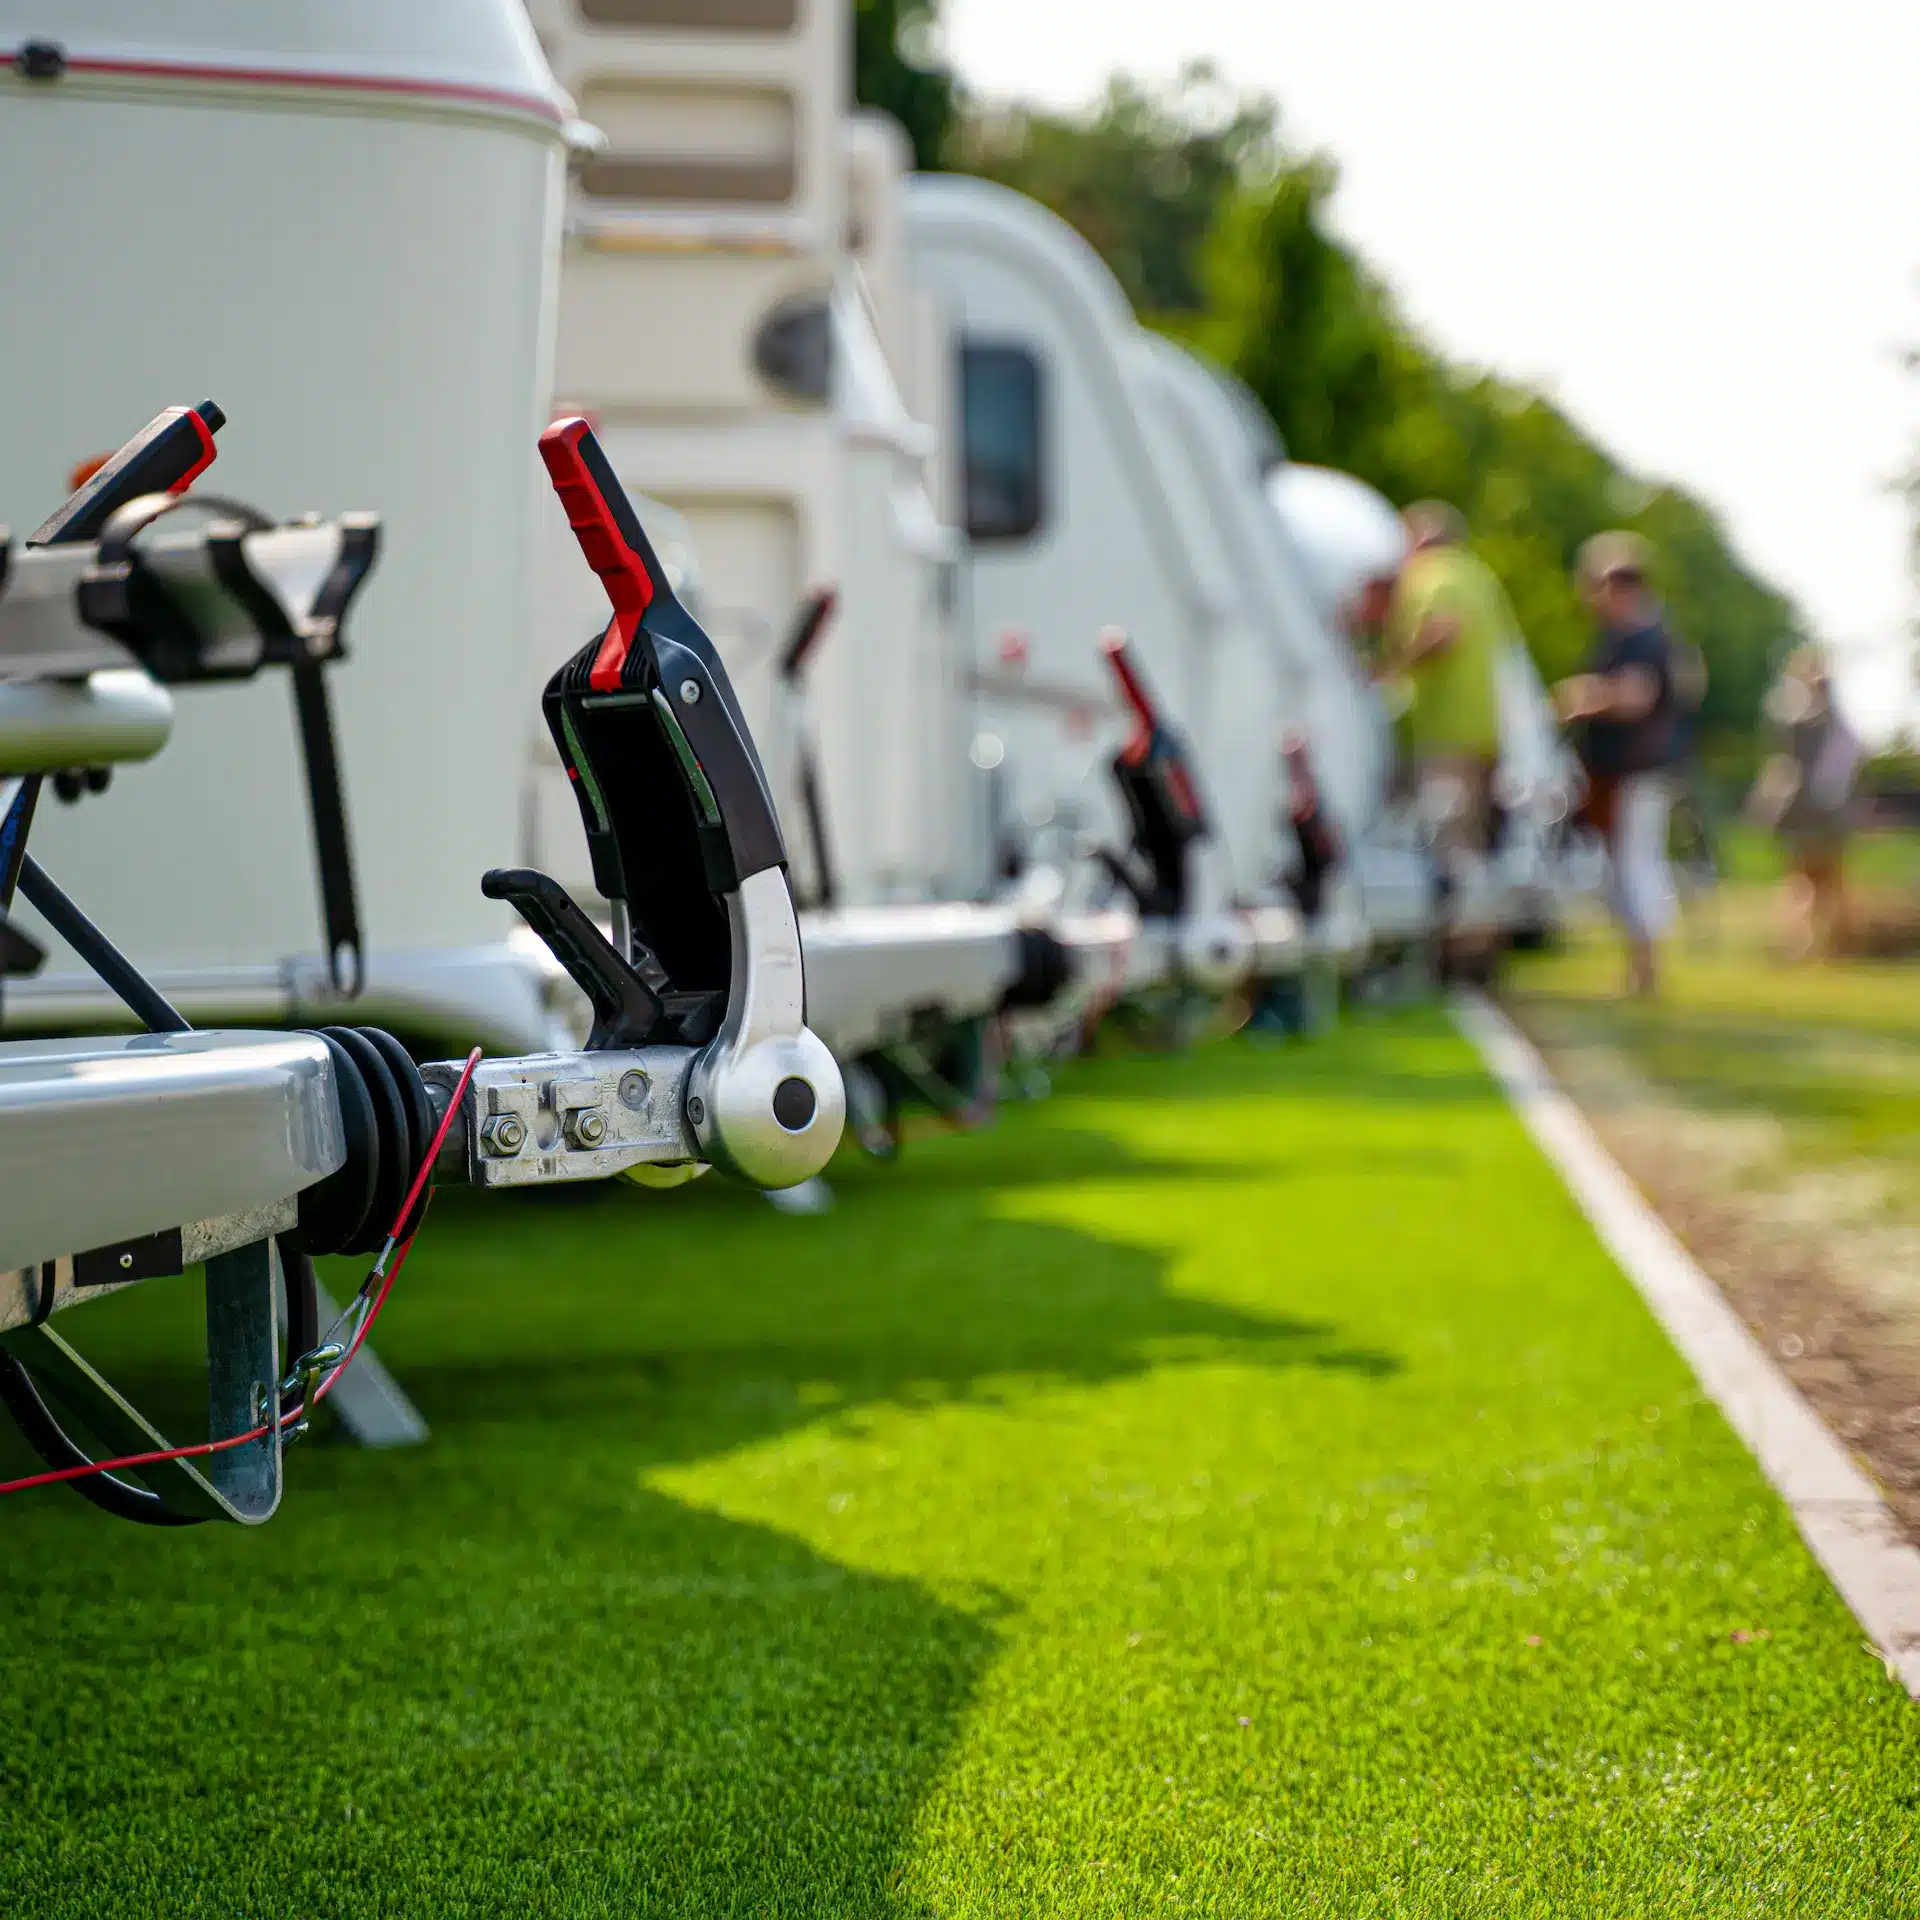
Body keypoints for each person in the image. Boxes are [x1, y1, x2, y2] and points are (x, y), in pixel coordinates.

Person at [1378, 500, 1511, 981]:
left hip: (1446, 734)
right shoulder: (1478, 575)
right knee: (1470, 843)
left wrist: (1392, 666)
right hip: (1482, 732)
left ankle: (1461, 962)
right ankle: (1475, 952)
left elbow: (1443, 630)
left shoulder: (1430, 574)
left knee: (1450, 846)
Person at [1555, 531, 1680, 997]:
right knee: (1625, 866)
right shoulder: (1628, 636)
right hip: (1621, 771)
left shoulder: (1644, 638)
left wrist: (1586, 698)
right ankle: (1640, 968)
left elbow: (1636, 697)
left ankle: (1645, 970)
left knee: (1636, 864)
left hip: (1637, 770)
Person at [1747, 643, 1861, 959]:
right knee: (1811, 877)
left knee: (1813, 877)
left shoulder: (1792, 715)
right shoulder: (1821, 719)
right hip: (1816, 807)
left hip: (1811, 806)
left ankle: (1818, 942)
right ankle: (1816, 942)